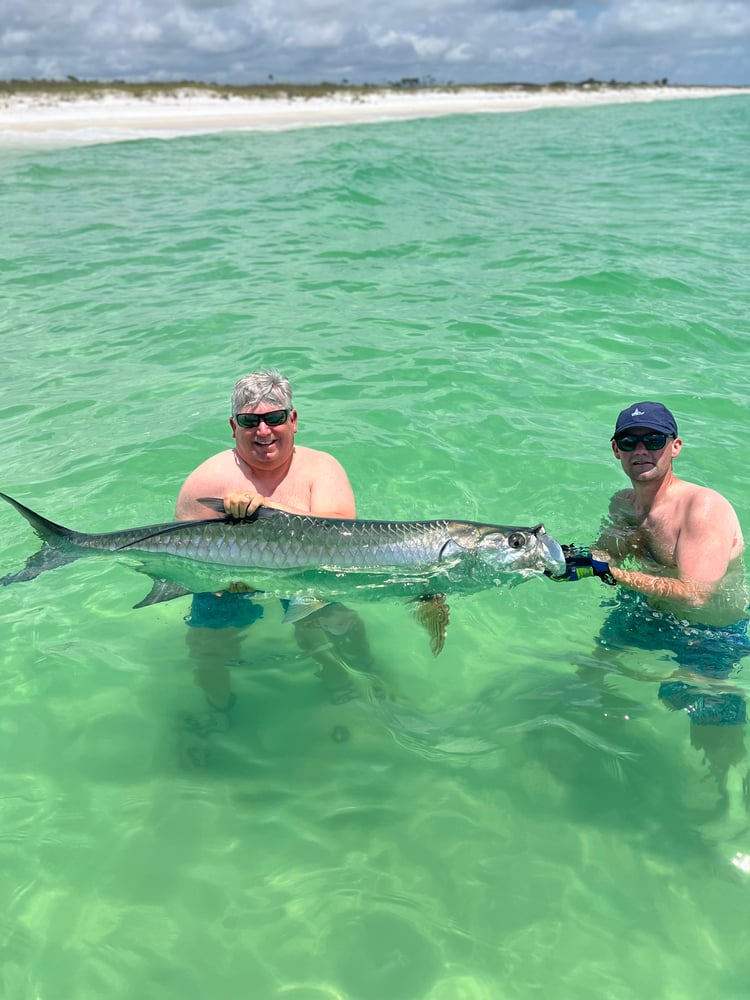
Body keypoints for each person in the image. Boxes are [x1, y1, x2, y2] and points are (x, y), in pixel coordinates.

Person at [551, 401, 749, 810]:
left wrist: (607, 573)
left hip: (711, 634)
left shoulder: (703, 508)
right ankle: (593, 763)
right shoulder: (624, 503)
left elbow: (696, 594)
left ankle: (728, 807)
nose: (641, 449)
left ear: (674, 446)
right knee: (591, 674)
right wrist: (560, 562)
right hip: (647, 611)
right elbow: (604, 555)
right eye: (630, 441)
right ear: (616, 450)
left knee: (712, 738)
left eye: (653, 440)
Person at [174, 369, 374, 757]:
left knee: (342, 626)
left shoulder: (322, 468)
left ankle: (355, 680)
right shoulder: (205, 482)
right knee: (206, 644)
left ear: (293, 421)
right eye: (250, 422)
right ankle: (218, 708)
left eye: (275, 418)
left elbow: (344, 538)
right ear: (233, 427)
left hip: (307, 572)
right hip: (230, 580)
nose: (263, 430)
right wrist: (214, 584)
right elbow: (185, 554)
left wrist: (267, 508)